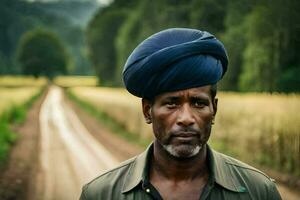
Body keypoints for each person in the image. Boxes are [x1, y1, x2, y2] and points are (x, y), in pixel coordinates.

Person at [79, 28, 282, 200]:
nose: (186, 118)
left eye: (198, 103)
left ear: (214, 110)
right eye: (171, 103)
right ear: (147, 111)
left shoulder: (258, 191)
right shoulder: (102, 194)